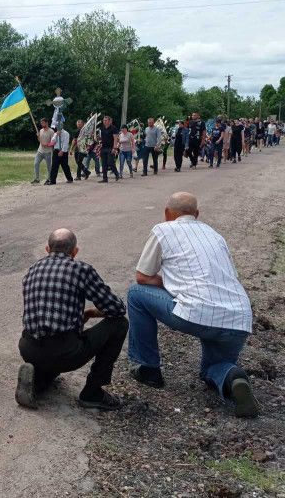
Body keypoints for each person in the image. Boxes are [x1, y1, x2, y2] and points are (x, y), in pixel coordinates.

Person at [127, 192, 258, 418]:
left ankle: (149, 369)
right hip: (239, 318)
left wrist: (172, 283)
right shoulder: (215, 236)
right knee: (212, 369)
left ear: (167, 213)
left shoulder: (163, 229)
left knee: (135, 294)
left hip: (195, 313)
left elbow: (143, 277)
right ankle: (233, 378)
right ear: (196, 215)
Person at [15, 228, 128, 411]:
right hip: (64, 352)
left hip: (28, 348)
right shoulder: (80, 269)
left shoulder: (32, 270)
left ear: (47, 249)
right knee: (120, 324)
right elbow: (117, 309)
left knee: (52, 353)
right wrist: (90, 313)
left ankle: (38, 381)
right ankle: (92, 392)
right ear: (75, 251)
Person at [32, 118, 55, 184]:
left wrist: (47, 145)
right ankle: (37, 179)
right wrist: (38, 137)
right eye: (41, 123)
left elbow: (53, 142)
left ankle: (49, 179)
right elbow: (40, 141)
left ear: (47, 123)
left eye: (43, 123)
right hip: (40, 151)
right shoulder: (41, 130)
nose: (42, 124)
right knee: (36, 164)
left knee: (49, 167)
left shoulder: (51, 131)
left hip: (48, 152)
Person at [98, 115, 120, 183]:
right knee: (103, 163)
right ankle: (105, 178)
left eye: (106, 120)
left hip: (111, 148)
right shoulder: (102, 128)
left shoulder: (113, 128)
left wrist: (115, 148)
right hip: (103, 148)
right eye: (104, 120)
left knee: (110, 162)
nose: (104, 121)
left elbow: (115, 139)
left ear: (110, 121)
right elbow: (100, 137)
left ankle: (116, 174)